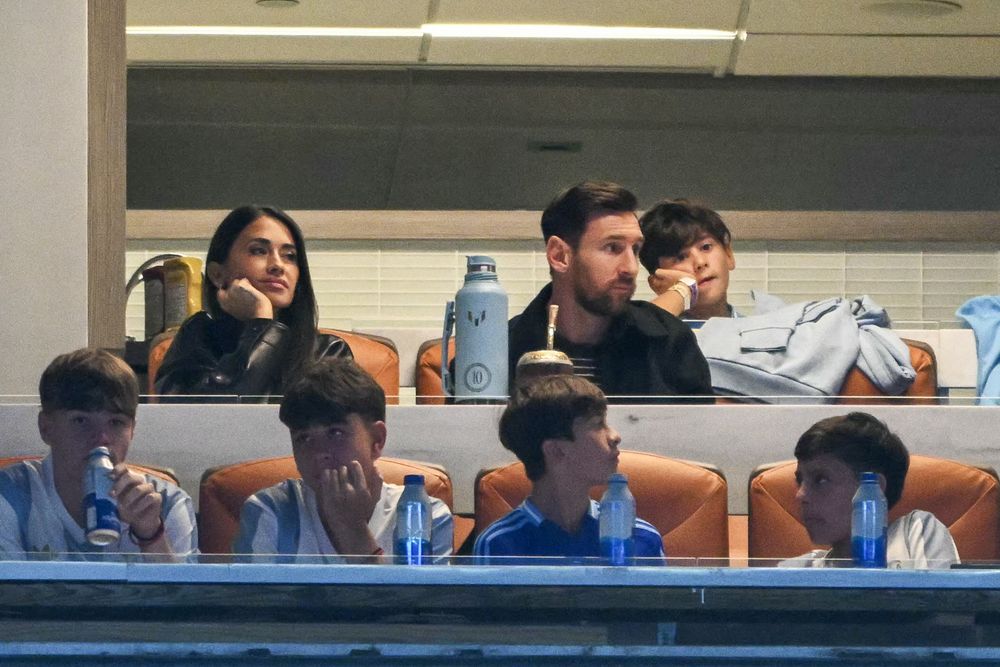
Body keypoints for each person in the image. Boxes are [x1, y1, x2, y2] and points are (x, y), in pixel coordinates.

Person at [233, 357, 453, 562]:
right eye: (303, 438)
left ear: (377, 440)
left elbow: (420, 595)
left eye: (335, 433)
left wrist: (353, 530)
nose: (319, 452)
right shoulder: (270, 510)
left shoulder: (425, 514)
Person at [507, 181, 711, 400]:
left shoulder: (669, 342)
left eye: (635, 249)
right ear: (559, 256)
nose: (631, 268)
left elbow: (701, 422)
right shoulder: (504, 348)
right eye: (612, 248)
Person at [0, 349, 197, 559]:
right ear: (46, 427)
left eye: (116, 422)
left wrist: (151, 534)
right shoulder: (10, 495)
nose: (102, 438)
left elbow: (184, 583)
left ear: (132, 430)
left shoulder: (167, 503)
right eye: (81, 420)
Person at [155, 205, 352, 399]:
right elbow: (213, 414)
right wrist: (262, 322)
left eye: (289, 256)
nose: (278, 265)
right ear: (217, 274)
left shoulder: (328, 352)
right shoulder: (198, 336)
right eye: (259, 251)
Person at [474, 375, 664, 563]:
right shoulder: (498, 545)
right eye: (598, 424)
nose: (615, 436)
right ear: (556, 450)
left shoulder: (642, 538)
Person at [781, 412, 959, 569]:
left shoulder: (914, 532)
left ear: (874, 489)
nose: (800, 495)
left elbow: (941, 596)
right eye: (800, 481)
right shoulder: (798, 569)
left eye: (821, 480)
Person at [638, 198, 737, 320]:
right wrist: (682, 289)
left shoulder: (758, 329)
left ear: (728, 254)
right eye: (680, 257)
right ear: (657, 282)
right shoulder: (645, 330)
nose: (700, 263)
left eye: (706, 247)